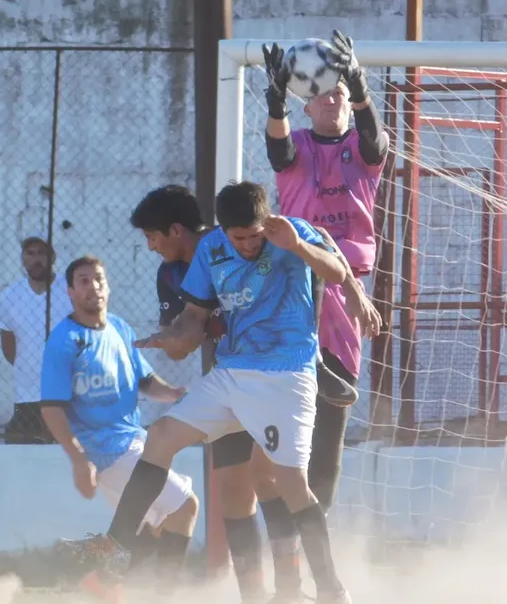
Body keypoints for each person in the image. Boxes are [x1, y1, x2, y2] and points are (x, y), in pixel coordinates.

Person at [61, 181, 351, 604]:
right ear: (224, 231)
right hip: (231, 371)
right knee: (160, 438)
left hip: (285, 374)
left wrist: (300, 248)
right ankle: (118, 545)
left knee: (286, 481)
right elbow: (193, 318)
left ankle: (330, 591)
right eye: (239, 238)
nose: (249, 245)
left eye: (255, 236)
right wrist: (171, 337)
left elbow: (338, 274)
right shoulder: (211, 250)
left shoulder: (291, 232)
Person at [259, 30, 386, 599]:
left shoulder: (361, 152)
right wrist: (271, 104)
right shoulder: (295, 150)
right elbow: (278, 152)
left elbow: (375, 142)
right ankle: (285, 579)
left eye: (337, 90)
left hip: (346, 295)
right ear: (301, 98)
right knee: (287, 442)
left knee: (329, 436)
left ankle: (314, 578)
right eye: (322, 92)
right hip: (294, 292)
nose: (329, 98)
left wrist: (359, 84)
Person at [47, 256, 198, 596]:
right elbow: (52, 407)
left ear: (108, 286)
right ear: (71, 292)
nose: (93, 286)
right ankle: (162, 595)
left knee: (157, 527)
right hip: (106, 454)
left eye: (98, 278)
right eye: (83, 281)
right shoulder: (64, 341)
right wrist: (77, 458)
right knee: (185, 507)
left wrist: (173, 393)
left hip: (134, 443)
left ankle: (102, 583)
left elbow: (144, 380)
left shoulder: (118, 328)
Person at [0, 237, 72, 444]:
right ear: (23, 258)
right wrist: (28, 367)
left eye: (42, 253)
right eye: (30, 253)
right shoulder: (10, 295)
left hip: (65, 394)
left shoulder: (70, 292)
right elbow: (8, 343)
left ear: (53, 257)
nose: (36, 259)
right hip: (26, 394)